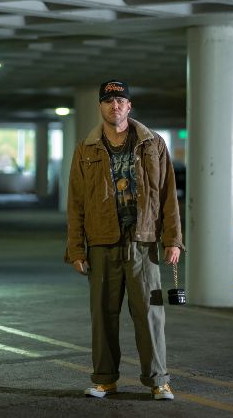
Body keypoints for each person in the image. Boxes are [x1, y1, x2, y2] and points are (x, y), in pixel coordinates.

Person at [64, 79, 184, 401]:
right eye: (108, 101)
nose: (114, 106)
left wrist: (173, 239)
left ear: (129, 106)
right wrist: (76, 248)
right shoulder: (86, 148)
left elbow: (168, 195)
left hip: (143, 242)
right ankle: (105, 380)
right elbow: (76, 201)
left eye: (120, 101)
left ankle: (159, 381)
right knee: (103, 316)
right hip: (102, 242)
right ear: (100, 107)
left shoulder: (153, 143)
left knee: (150, 315)